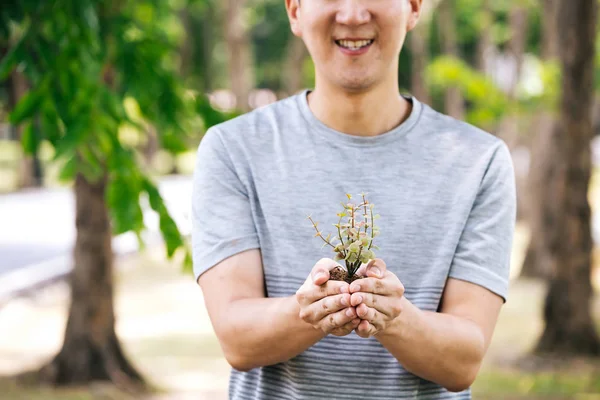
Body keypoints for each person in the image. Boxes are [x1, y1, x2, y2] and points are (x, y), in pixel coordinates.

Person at [191, 0, 516, 399]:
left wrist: (395, 317)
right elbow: (237, 338)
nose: (352, 14)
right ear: (294, 10)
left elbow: (464, 360)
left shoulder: (478, 160)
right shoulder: (233, 149)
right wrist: (311, 308)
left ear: (414, 7)